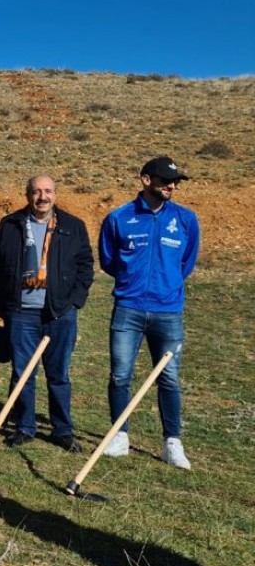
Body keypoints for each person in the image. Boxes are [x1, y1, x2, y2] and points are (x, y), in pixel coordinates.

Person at [98, 156, 200, 469]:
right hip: (128, 308)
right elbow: (108, 260)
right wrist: (132, 282)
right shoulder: (119, 218)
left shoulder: (185, 219)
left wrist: (166, 286)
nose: (172, 186)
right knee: (120, 375)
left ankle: (172, 442)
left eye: (176, 181)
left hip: (168, 312)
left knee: (168, 377)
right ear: (145, 180)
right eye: (165, 180)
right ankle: (119, 435)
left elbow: (187, 262)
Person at [0, 175, 94, 451]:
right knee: (23, 373)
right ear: (27, 195)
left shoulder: (73, 226)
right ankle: (24, 427)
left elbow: (85, 266)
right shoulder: (10, 225)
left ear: (55, 195)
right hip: (21, 312)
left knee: (58, 373)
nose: (42, 197)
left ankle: (62, 430)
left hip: (59, 313)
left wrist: (75, 301)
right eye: (36, 191)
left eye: (47, 191)